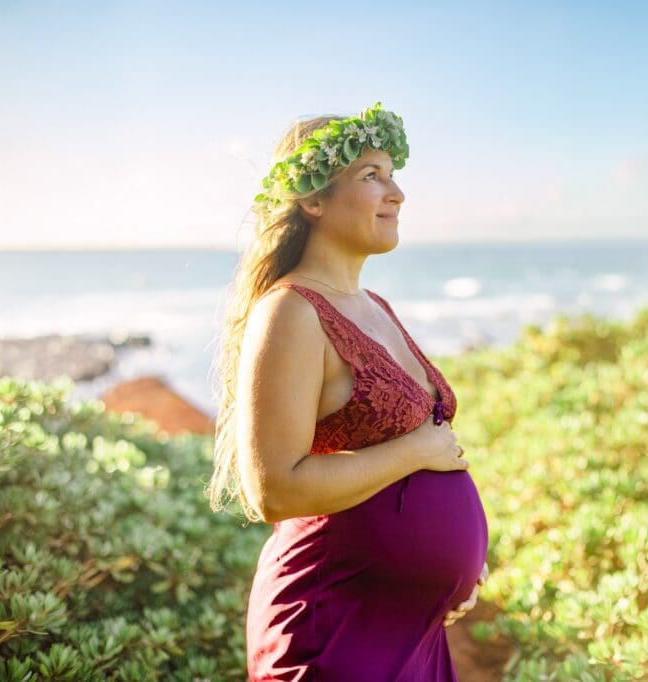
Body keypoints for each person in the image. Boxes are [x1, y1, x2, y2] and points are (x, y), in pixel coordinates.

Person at [206, 102, 490, 680]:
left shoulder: (373, 306)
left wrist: (453, 574)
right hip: (333, 628)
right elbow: (275, 490)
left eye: (393, 174)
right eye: (371, 176)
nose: (397, 193)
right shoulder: (291, 312)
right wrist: (415, 452)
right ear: (312, 199)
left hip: (408, 628)